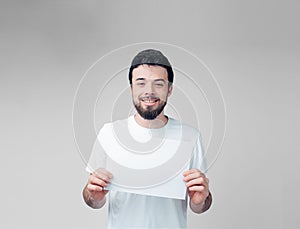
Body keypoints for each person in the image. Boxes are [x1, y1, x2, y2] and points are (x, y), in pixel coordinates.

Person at [82, 49, 212, 229]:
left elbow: (200, 205)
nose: (149, 91)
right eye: (141, 83)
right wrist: (93, 195)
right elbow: (93, 201)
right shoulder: (109, 134)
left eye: (158, 84)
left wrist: (200, 200)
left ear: (170, 89)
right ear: (132, 89)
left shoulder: (190, 137)